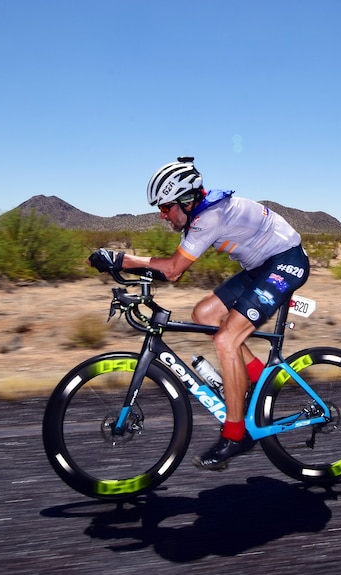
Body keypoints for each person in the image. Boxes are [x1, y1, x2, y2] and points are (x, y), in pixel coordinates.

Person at [89, 156, 309, 470]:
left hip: (286, 263)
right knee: (204, 314)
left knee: (226, 341)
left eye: (165, 208)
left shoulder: (210, 217)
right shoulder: (199, 216)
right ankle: (261, 380)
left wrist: (120, 259)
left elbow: (173, 270)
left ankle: (236, 436)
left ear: (186, 200)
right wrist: (126, 270)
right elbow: (168, 271)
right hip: (260, 266)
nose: (162, 216)